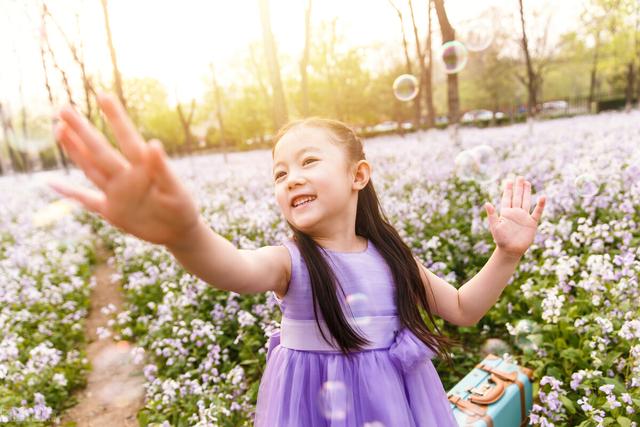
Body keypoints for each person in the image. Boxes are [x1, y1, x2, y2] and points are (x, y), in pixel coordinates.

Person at [49, 93, 546, 426]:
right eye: (279, 172)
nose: (290, 178)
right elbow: (231, 268)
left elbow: (462, 308)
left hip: (396, 406)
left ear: (358, 175)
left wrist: (506, 255)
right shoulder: (289, 262)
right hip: (311, 409)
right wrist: (185, 234)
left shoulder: (393, 257)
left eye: (309, 161)